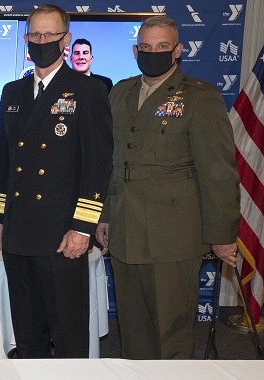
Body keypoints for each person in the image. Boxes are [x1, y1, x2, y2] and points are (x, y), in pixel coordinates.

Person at [96, 16, 240, 360]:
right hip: (125, 232)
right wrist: (103, 216)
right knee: (132, 332)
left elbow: (218, 170)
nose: (153, 53)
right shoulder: (120, 92)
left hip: (173, 235)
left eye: (162, 47)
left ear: (178, 51)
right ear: (135, 50)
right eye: (145, 48)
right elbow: (110, 163)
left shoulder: (200, 97)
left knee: (171, 334)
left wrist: (222, 235)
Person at [0, 4, 113, 359]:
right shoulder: (13, 91)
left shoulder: (88, 91)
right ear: (26, 38)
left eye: (49, 35)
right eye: (34, 35)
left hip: (62, 235)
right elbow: (3, 161)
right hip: (19, 231)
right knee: (27, 333)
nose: (41, 41)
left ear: (66, 40)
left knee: (68, 333)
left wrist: (83, 227)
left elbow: (98, 165)